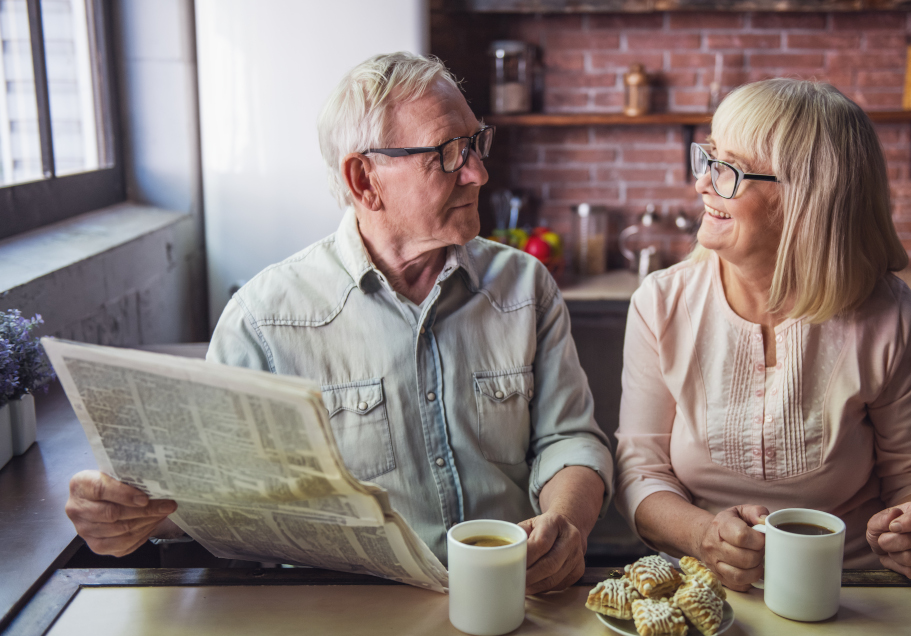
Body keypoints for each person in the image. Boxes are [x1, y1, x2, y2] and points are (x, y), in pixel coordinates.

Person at [65, 52, 613, 594]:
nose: (478, 172)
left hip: (508, 598)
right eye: (448, 153)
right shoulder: (264, 319)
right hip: (342, 617)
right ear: (364, 179)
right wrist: (131, 516)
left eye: (475, 143)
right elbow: (217, 500)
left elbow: (569, 440)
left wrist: (567, 524)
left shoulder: (525, 287)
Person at [614, 78, 911, 591]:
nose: (703, 184)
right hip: (709, 586)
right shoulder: (661, 303)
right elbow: (639, 472)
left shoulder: (888, 316)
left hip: (859, 591)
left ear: (808, 199)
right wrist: (703, 535)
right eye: (709, 157)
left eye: (730, 170)